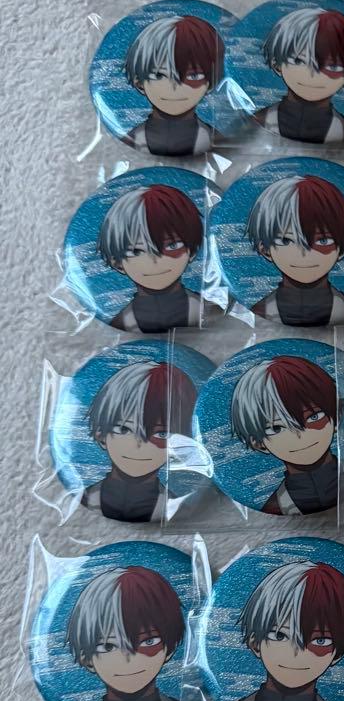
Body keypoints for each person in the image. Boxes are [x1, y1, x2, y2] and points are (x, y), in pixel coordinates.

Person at [231, 561, 344, 701]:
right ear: (255, 643)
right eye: (279, 636)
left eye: (320, 641)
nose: (296, 654)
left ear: (337, 654)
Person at [230, 355, 344, 515]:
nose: (300, 436)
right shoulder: (275, 504)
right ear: (258, 442)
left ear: (335, 419)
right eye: (276, 428)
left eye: (314, 417)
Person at [66, 564, 184, 701]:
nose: (129, 659)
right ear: (87, 658)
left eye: (148, 641)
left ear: (170, 649)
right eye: (108, 646)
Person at [82, 361, 197, 523]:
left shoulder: (175, 505)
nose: (139, 445)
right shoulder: (85, 496)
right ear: (101, 435)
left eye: (161, 433)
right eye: (124, 429)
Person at [98, 184, 215, 331]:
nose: (155, 261)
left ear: (192, 251)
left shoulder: (210, 310)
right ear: (117, 263)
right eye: (136, 251)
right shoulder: (120, 323)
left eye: (172, 246)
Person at [246, 175, 344, 326]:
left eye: (323, 241)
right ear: (265, 249)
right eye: (286, 241)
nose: (304, 254)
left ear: (342, 249)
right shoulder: (259, 310)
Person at [254, 7, 344, 143]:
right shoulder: (258, 121)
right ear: (277, 64)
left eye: (332, 66)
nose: (312, 75)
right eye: (299, 61)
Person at [122, 15, 224, 155]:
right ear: (139, 83)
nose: (174, 88)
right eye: (159, 75)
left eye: (193, 76)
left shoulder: (218, 140)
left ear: (210, 83)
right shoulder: (129, 140)